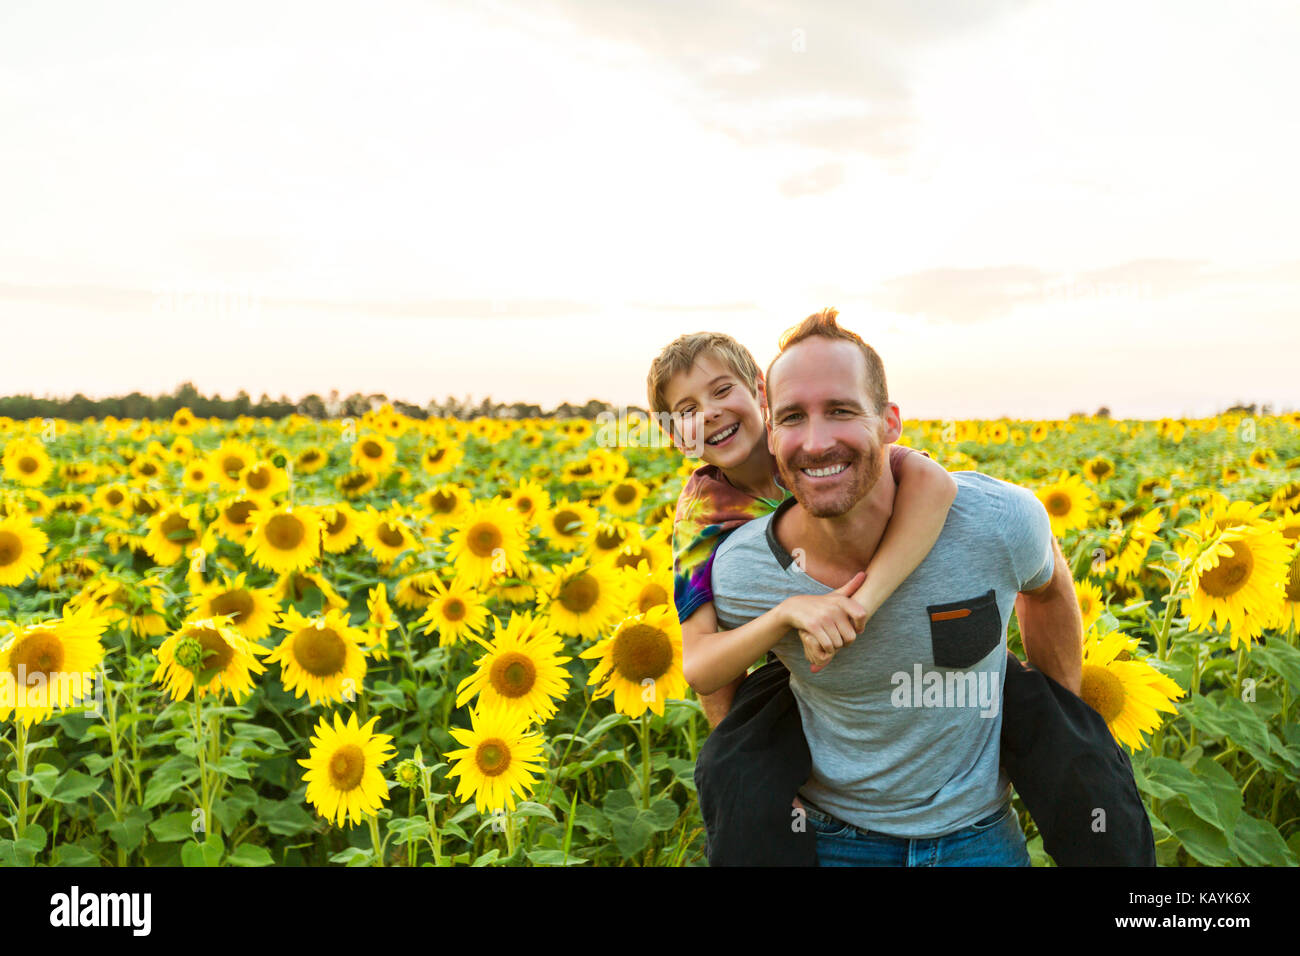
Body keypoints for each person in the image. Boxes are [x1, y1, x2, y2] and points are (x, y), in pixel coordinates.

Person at [707, 309, 1084, 866]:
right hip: (831, 839)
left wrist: (1061, 730)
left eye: (840, 410)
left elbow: (1048, 589)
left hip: (979, 837)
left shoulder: (999, 522)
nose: (815, 442)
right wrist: (760, 775)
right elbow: (715, 670)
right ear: (771, 431)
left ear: (890, 422)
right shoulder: (744, 569)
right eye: (791, 417)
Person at [645, 331, 957, 731]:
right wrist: (786, 615)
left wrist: (859, 606)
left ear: (761, 390)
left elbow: (934, 482)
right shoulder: (701, 515)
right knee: (727, 770)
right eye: (687, 411)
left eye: (722, 390)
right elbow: (701, 666)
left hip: (902, 624)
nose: (708, 413)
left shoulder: (810, 447)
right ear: (675, 436)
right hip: (794, 669)